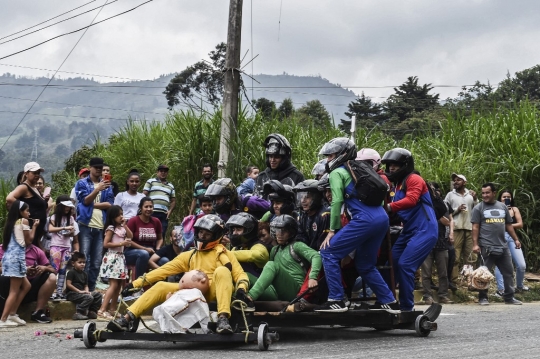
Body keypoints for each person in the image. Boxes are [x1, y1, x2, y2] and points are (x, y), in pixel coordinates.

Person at [108, 214, 250, 335]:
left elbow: (240, 275)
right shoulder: (190, 255)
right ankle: (127, 319)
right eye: (200, 232)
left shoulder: (225, 253)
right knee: (161, 285)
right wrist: (135, 284)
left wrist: (241, 289)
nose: (202, 236)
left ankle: (223, 319)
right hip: (193, 291)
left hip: (216, 292)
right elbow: (163, 271)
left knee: (223, 270)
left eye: (207, 234)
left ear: (216, 236)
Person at [316, 138, 397, 313]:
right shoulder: (360, 168)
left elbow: (336, 201)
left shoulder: (337, 172)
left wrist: (332, 231)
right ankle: (388, 300)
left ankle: (337, 299)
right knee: (365, 264)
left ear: (341, 155)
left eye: (331, 155)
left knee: (328, 252)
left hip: (364, 219)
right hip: (382, 218)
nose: (328, 159)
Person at [381, 148, 438, 312]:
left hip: (425, 230)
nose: (391, 168)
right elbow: (396, 213)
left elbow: (412, 200)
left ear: (405, 165)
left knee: (405, 265)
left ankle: (407, 307)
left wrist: (389, 207)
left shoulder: (414, 179)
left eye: (396, 165)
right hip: (408, 231)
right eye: (390, 165)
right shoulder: (396, 186)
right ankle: (387, 301)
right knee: (390, 264)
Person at [244, 215, 321, 307]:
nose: (279, 234)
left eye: (283, 231)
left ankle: (249, 298)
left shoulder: (297, 245)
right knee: (245, 275)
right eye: (277, 231)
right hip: (276, 291)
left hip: (294, 291)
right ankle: (238, 300)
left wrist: (313, 277)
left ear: (291, 232)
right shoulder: (274, 250)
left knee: (271, 265)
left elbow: (316, 256)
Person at [472, 183, 522, 305]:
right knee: (483, 274)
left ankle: (509, 297)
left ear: (494, 193)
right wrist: (475, 244)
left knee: (508, 272)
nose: (485, 195)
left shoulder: (502, 207)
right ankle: (483, 298)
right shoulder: (478, 208)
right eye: (483, 193)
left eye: (487, 192)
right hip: (486, 247)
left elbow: (508, 225)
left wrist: (515, 239)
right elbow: (475, 227)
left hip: (503, 246)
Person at [75, 157, 114, 291]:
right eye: (96, 167)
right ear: (90, 167)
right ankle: (80, 289)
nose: (98, 170)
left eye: (100, 167)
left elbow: (109, 204)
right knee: (84, 261)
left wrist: (92, 202)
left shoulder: (107, 185)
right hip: (85, 225)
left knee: (97, 262)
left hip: (100, 226)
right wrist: (97, 190)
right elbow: (84, 201)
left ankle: (90, 290)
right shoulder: (82, 183)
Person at [0, 240, 56, 324]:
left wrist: (43, 268)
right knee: (8, 278)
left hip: (28, 288)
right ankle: (4, 317)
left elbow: (53, 269)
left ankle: (37, 312)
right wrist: (24, 270)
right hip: (8, 287)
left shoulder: (36, 250)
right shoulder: (3, 248)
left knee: (51, 276)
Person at [0, 201, 34, 327]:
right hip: (17, 259)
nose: (28, 213)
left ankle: (12, 314)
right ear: (20, 212)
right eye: (26, 210)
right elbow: (29, 240)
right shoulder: (23, 222)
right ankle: (3, 319)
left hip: (8, 258)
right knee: (14, 291)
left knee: (26, 286)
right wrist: (34, 227)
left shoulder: (10, 223)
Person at [420, 182, 454, 305]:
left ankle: (443, 295)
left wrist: (436, 213)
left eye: (435, 190)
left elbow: (447, 222)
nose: (434, 192)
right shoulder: (422, 204)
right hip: (426, 242)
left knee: (443, 272)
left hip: (441, 242)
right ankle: (427, 295)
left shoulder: (443, 205)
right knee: (426, 272)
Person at [97, 205, 133, 320]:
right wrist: (120, 244)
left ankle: (112, 309)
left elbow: (131, 236)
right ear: (113, 216)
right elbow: (106, 244)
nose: (121, 217)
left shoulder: (122, 228)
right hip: (113, 257)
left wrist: (125, 225)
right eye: (118, 215)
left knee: (118, 286)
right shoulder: (111, 228)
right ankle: (102, 310)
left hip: (120, 258)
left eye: (122, 214)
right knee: (113, 285)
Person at [444, 173, 478, 289]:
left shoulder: (470, 195)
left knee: (471, 257)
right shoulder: (450, 195)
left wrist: (476, 199)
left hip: (469, 228)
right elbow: (445, 212)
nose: (456, 182)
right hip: (456, 229)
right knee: (455, 257)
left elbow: (476, 209)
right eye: (454, 180)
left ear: (464, 182)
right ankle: (454, 281)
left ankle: (470, 282)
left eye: (459, 180)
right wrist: (456, 210)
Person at [6, 162, 48, 249]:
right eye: (34, 173)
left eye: (38, 173)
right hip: (29, 228)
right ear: (26, 173)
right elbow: (10, 198)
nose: (37, 175)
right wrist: (25, 208)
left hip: (37, 229)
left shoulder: (35, 188)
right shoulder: (24, 187)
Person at [494, 190, 528, 295]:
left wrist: (507, 225)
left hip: (512, 237)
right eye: (504, 197)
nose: (506, 198)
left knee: (521, 265)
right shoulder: (496, 209)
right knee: (500, 264)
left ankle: (519, 286)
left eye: (508, 197)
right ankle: (501, 289)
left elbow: (520, 224)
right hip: (499, 238)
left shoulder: (514, 209)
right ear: (500, 198)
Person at [226, 213, 269, 287]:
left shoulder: (259, 246)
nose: (234, 233)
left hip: (264, 287)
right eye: (233, 230)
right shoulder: (237, 248)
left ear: (249, 231)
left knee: (244, 274)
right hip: (244, 284)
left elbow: (255, 255)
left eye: (238, 229)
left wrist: (225, 253)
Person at [125, 197, 163, 279]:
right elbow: (128, 241)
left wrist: (158, 248)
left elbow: (160, 238)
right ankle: (138, 285)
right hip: (131, 251)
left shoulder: (156, 221)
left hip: (151, 251)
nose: (149, 209)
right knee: (143, 254)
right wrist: (144, 249)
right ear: (140, 208)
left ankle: (160, 286)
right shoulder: (133, 221)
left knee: (164, 260)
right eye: (146, 207)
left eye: (151, 207)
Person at [48, 195, 77, 300]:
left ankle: (59, 291)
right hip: (56, 245)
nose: (67, 209)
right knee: (54, 269)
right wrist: (64, 227)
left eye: (69, 207)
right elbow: (50, 229)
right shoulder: (54, 217)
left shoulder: (71, 218)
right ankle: (51, 291)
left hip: (66, 246)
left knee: (63, 269)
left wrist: (70, 232)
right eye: (65, 206)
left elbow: (72, 234)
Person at [204, 178, 270, 223]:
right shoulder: (223, 214)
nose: (216, 202)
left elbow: (271, 209)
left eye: (219, 199)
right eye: (214, 200)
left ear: (229, 196)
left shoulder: (250, 202)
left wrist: (262, 222)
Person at [65, 252, 103, 320]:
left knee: (98, 295)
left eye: (84, 262)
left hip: (81, 293)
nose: (82, 264)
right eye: (80, 262)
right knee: (89, 297)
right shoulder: (71, 272)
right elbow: (68, 284)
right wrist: (79, 291)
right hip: (72, 293)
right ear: (73, 263)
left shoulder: (84, 274)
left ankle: (92, 311)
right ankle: (79, 312)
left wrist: (87, 291)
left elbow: (86, 285)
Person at [294, 179, 330, 250]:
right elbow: (300, 236)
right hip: (307, 253)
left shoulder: (325, 215)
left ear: (316, 197)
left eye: (307, 197)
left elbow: (323, 243)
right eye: (301, 197)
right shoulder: (302, 215)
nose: (303, 201)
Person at [143, 164, 176, 237]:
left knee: (162, 233)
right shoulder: (151, 181)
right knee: (150, 232)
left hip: (164, 214)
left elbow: (173, 201)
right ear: (157, 172)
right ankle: (149, 248)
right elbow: (143, 195)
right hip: (151, 212)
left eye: (165, 171)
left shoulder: (170, 186)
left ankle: (159, 248)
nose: (163, 173)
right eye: (161, 171)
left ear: (167, 173)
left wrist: (170, 211)